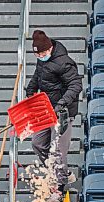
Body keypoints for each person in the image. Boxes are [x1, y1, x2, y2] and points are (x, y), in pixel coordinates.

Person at [26, 30, 83, 190]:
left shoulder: (64, 63)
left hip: (62, 113)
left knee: (57, 150)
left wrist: (62, 104)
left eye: (43, 53)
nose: (40, 56)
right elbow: (38, 76)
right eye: (37, 54)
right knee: (38, 143)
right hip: (46, 109)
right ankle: (62, 174)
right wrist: (30, 90)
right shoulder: (42, 60)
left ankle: (58, 188)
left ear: (50, 48)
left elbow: (76, 85)